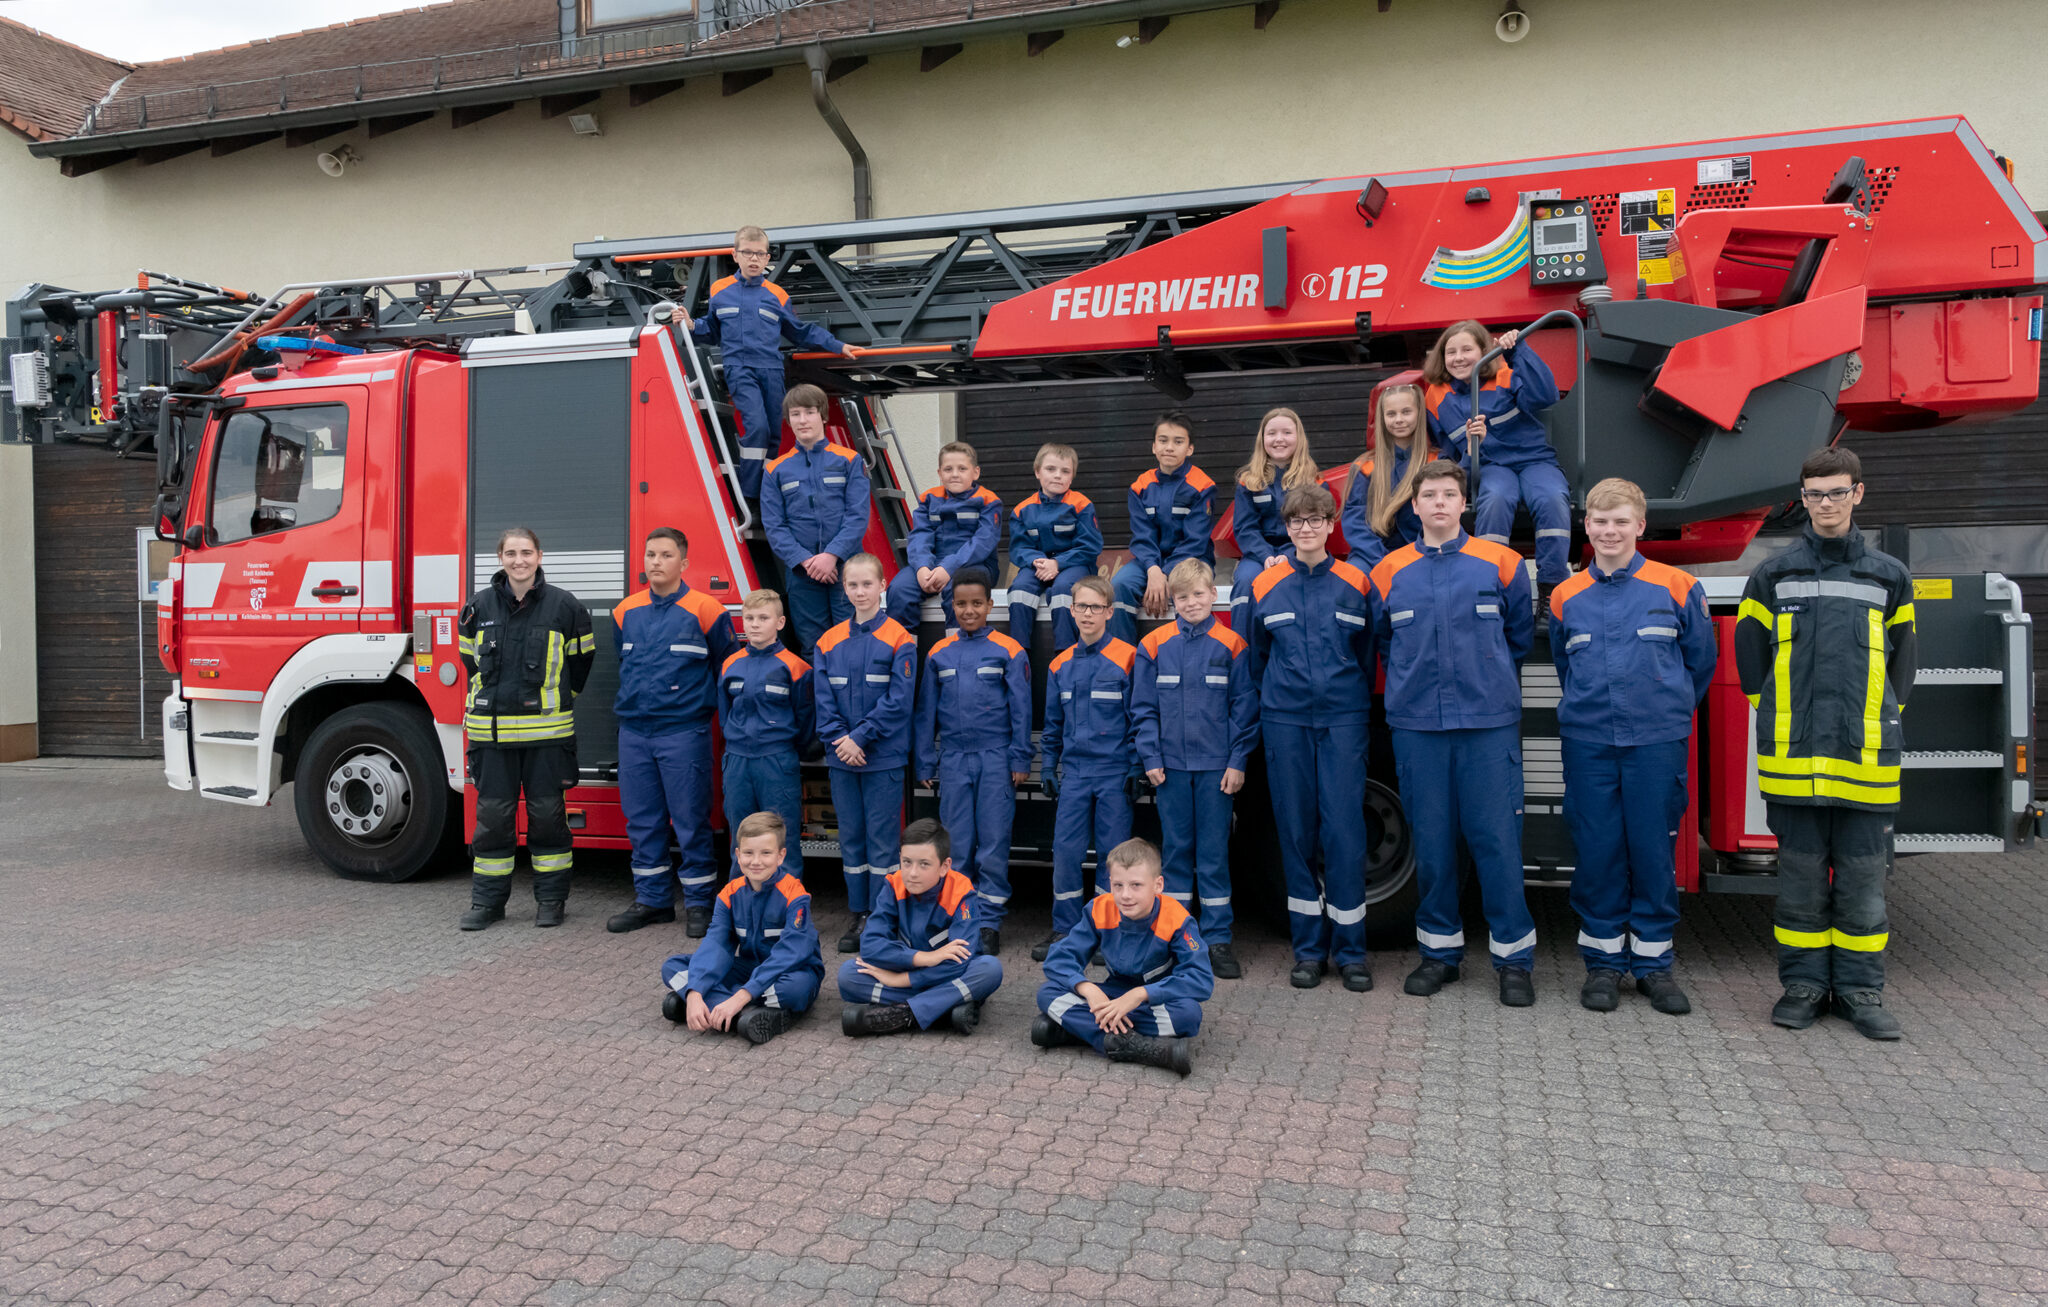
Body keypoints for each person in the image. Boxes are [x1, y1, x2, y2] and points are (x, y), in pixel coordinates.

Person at [1735, 447, 1914, 1041]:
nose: (1826, 504)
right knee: (1801, 886)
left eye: (1838, 492)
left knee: (1863, 888)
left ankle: (1862, 993)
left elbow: (1903, 666)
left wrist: (1880, 722)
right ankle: (1804, 988)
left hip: (1864, 757)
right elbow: (1751, 660)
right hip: (1794, 759)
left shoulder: (1889, 575)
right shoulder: (1774, 574)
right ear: (1802, 498)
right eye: (1815, 494)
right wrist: (1777, 718)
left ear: (1858, 494)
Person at [1369, 461, 1540, 1006]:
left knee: (1496, 844)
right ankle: (1439, 954)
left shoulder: (1504, 563)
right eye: (1429, 495)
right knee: (1435, 848)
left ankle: (1514, 962)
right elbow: (1384, 643)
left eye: (1449, 494)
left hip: (1487, 725)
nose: (1439, 503)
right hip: (1418, 726)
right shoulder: (1387, 572)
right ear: (1413, 507)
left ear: (1463, 504)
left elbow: (1518, 636)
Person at [1549, 478, 1717, 1015]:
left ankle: (1652, 966)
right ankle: (1602, 965)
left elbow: (1700, 663)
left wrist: (1665, 710)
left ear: (1641, 526)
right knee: (1597, 853)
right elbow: (1563, 664)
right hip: (1589, 742)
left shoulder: (1678, 587)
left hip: (1655, 741)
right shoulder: (1565, 595)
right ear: (1586, 527)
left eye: (1621, 521)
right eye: (1600, 521)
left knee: (1651, 851)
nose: (1610, 531)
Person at [1247, 485, 1376, 992]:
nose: (1305, 528)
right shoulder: (1265, 585)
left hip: (1344, 717)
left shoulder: (1356, 582)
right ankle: (1308, 951)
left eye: (1314, 519)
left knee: (1345, 831)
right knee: (1295, 831)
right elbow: (1258, 658)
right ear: (1287, 527)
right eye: (1296, 521)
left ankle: (1351, 952)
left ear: (1330, 523)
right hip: (1286, 719)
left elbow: (1367, 651)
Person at [457, 527, 594, 930]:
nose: (519, 560)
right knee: (494, 821)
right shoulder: (477, 608)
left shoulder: (564, 607)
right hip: (492, 738)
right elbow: (470, 664)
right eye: (512, 552)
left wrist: (553, 698)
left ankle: (551, 901)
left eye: (527, 552)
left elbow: (581, 662)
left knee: (547, 818)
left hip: (547, 737)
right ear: (500, 557)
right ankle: (488, 904)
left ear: (539, 555)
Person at [607, 528, 742, 936]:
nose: (655, 562)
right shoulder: (624, 611)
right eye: (650, 555)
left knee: (690, 820)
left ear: (683, 564)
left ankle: (700, 904)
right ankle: (652, 900)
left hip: (684, 731)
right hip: (634, 732)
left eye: (665, 555)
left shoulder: (706, 609)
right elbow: (621, 659)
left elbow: (728, 668)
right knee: (642, 820)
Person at [1131, 559, 1258, 979]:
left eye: (1199, 594)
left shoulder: (1232, 646)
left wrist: (1237, 762)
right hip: (1170, 770)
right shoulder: (1153, 646)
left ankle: (1218, 940)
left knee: (1213, 856)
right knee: (1176, 853)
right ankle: (1180, 939)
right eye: (1182, 597)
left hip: (1216, 771)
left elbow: (1244, 711)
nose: (1191, 603)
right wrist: (1151, 758)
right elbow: (1143, 710)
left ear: (1213, 595)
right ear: (1172, 600)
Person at [684, 226, 855, 499]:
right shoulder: (721, 289)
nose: (754, 259)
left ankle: (766, 492)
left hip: (772, 370)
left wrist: (837, 345)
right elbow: (713, 329)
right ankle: (749, 495)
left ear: (767, 259)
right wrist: (692, 324)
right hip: (739, 369)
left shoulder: (777, 295)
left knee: (774, 434)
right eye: (748, 253)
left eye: (760, 254)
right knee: (757, 429)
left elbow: (800, 331)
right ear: (735, 255)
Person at [915, 569, 1031, 956]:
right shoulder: (938, 654)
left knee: (994, 842)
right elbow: (925, 714)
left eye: (976, 603)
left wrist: (1019, 757)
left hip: (996, 756)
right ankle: (962, 917)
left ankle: (989, 922)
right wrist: (926, 762)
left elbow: (1021, 711)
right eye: (960, 604)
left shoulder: (1009, 650)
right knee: (957, 843)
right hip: (953, 759)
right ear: (951, 606)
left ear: (990, 606)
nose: (968, 610)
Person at [1031, 838, 1211, 1076]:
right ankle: (1132, 1044)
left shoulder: (1177, 919)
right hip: (1111, 995)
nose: (1125, 895)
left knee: (1188, 1015)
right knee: (1047, 994)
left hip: (1153, 999)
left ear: (1158, 885)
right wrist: (1088, 989)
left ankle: (1074, 1031)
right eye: (1118, 885)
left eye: (1136, 885)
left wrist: (1140, 995)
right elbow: (1059, 959)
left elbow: (1201, 979)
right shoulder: (1099, 908)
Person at [814, 553, 918, 954]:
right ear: (844, 589)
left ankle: (882, 916)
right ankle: (858, 913)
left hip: (883, 757)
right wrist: (842, 740)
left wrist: (860, 737)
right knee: (852, 840)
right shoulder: (828, 641)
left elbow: (899, 700)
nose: (860, 592)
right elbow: (823, 701)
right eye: (852, 585)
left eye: (866, 584)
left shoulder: (900, 638)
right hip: (843, 756)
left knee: (882, 842)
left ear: (883, 586)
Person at [1421, 320, 1571, 592]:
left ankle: (1552, 588)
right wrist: (1469, 453)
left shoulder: (1505, 373)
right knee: (1496, 499)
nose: (1458, 358)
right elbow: (1445, 453)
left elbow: (1545, 396)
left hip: (1534, 461)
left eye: (1467, 349)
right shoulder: (1436, 395)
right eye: (1451, 352)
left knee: (1552, 497)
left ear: (1484, 351)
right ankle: (1492, 586)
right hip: (1489, 466)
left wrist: (1518, 350)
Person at [1035, 574, 1140, 962]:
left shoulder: (1128, 657)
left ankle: (1105, 931)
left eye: (1096, 607)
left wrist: (1136, 766)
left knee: (1113, 855)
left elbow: (1138, 719)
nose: (1088, 614)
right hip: (1075, 774)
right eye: (1081, 606)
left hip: (1114, 773)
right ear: (1072, 610)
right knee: (1065, 851)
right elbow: (1053, 724)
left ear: (1110, 612)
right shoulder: (1060, 664)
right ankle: (1065, 929)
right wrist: (1047, 766)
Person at [659, 812, 822, 1045]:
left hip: (791, 971)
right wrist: (695, 992)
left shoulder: (795, 895)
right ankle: (734, 1013)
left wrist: (741, 996)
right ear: (737, 855)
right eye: (748, 853)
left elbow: (790, 954)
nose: (756, 861)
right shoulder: (729, 894)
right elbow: (716, 945)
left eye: (766, 853)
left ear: (781, 856)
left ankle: (721, 1006)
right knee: (673, 966)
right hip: (749, 967)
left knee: (794, 990)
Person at [837, 818, 1003, 1035]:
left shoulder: (961, 892)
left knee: (989, 969)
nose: (913, 873)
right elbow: (870, 946)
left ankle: (904, 1013)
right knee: (848, 975)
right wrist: (924, 958)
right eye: (907, 862)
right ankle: (944, 1009)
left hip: (944, 975)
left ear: (945, 866)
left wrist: (901, 980)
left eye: (924, 864)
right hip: (929, 977)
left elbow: (959, 962)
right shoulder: (893, 885)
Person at [760, 384, 870, 652]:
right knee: (813, 649)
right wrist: (808, 562)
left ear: (822, 415)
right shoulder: (776, 469)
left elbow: (857, 515)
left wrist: (831, 555)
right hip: (802, 574)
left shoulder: (850, 460)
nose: (802, 420)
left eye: (809, 412)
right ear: (788, 420)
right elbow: (774, 526)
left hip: (847, 569)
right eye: (795, 414)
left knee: (854, 643)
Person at [716, 589, 814, 881]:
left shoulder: (796, 668)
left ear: (780, 622)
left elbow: (806, 720)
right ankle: (742, 913)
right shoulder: (730, 665)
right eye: (749, 618)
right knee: (741, 837)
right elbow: (725, 715)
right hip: (737, 762)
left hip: (776, 762)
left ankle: (784, 913)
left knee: (780, 837)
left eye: (763, 618)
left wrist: (785, 749)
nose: (755, 624)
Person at [1110, 411, 1215, 645]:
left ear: (1190, 449)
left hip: (1192, 560)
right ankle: (1121, 662)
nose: (1169, 447)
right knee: (1119, 585)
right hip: (1148, 563)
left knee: (1188, 589)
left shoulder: (1202, 486)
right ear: (1154, 446)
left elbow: (1195, 541)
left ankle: (1189, 654)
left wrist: (1167, 572)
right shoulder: (1140, 486)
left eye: (1178, 441)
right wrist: (1153, 570)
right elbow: (1142, 536)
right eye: (1163, 440)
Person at [885, 441, 1004, 632]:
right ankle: (904, 656)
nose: (955, 474)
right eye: (948, 469)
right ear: (940, 473)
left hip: (975, 564)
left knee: (958, 590)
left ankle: (956, 652)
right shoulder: (928, 499)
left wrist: (948, 568)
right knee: (900, 590)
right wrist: (922, 568)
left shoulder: (989, 501)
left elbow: (982, 542)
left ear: (976, 472)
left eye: (962, 468)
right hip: (931, 564)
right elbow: (919, 537)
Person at [1006, 443, 1103, 651]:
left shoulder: (1082, 505)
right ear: (1037, 472)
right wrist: (1037, 561)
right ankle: (1018, 655)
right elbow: (1018, 548)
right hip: (1037, 566)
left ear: (1072, 476)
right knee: (1019, 591)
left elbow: (1090, 546)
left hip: (1074, 566)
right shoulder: (1022, 510)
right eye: (1051, 469)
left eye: (1065, 471)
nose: (1058, 475)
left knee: (1062, 591)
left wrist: (1057, 563)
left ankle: (1065, 654)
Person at [1229, 407, 1321, 614]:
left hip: (1301, 552)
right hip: (1257, 555)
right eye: (1271, 433)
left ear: (1299, 437)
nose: (1279, 439)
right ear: (1262, 439)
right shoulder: (1248, 482)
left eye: (1287, 433)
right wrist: (1265, 556)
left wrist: (1289, 555)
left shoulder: (1313, 481)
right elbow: (1245, 528)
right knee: (1245, 582)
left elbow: (1315, 528)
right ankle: (1244, 646)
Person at [1342, 381, 1434, 569]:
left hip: (1424, 553)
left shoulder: (1436, 461)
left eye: (1406, 412)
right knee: (1354, 575)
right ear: (1382, 418)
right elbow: (1355, 523)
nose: (1399, 419)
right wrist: (1383, 561)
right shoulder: (1365, 466)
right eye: (1391, 414)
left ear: (1419, 414)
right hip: (1374, 555)